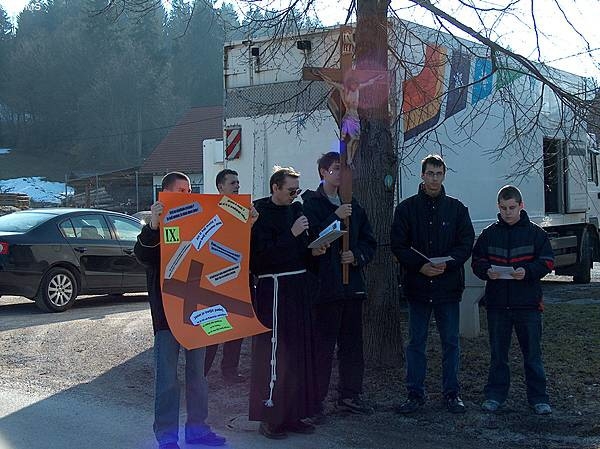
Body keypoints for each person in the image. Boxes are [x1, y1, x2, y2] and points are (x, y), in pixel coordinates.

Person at [134, 172, 226, 449]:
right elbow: (143, 255)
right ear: (165, 194)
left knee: (198, 377)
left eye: (189, 190)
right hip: (166, 318)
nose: (186, 195)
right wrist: (153, 225)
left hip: (196, 314)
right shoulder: (155, 225)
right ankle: (167, 437)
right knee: (167, 381)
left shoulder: (199, 221)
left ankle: (198, 431)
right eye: (180, 191)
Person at [390, 154, 475, 414]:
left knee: (450, 342)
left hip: (447, 287)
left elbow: (465, 243)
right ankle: (415, 394)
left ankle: (452, 394)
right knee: (416, 343)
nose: (434, 179)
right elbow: (398, 245)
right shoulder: (406, 209)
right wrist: (419, 266)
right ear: (422, 175)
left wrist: (448, 264)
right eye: (430, 173)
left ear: (444, 176)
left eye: (439, 174)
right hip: (417, 287)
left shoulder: (457, 209)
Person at [249, 166, 327, 439]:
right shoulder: (259, 214)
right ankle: (270, 416)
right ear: (275, 187)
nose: (295, 195)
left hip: (298, 288)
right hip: (274, 289)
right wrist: (291, 235)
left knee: (297, 353)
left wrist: (315, 251)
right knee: (275, 353)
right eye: (291, 190)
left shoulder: (297, 210)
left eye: (297, 190)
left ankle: (294, 414)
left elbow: (301, 250)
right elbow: (259, 258)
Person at [302, 151, 377, 419]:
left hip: (351, 287)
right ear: (323, 172)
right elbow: (309, 241)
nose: (340, 174)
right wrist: (335, 216)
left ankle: (349, 395)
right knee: (322, 348)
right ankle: (315, 400)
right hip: (325, 288)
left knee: (352, 346)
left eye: (344, 169)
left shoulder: (353, 205)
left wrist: (356, 256)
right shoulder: (311, 204)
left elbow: (369, 241)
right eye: (335, 168)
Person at [471, 185, 554, 415]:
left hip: (528, 304)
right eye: (503, 208)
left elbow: (547, 261)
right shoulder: (489, 234)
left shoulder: (536, 233)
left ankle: (539, 398)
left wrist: (527, 271)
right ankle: (495, 396)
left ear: (521, 206)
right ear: (498, 207)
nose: (508, 212)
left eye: (512, 207)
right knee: (498, 355)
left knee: (533, 355)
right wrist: (487, 271)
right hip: (497, 305)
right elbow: (477, 261)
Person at [204, 168, 258, 384]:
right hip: (216, 278)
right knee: (213, 327)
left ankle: (230, 370)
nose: (237, 186)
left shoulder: (245, 211)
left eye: (238, 182)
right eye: (232, 183)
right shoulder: (210, 211)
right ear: (220, 187)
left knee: (236, 325)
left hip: (239, 278)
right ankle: (202, 371)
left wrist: (252, 223)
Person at [314, 70, 384, 166]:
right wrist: (320, 74)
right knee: (349, 138)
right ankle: (349, 159)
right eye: (353, 84)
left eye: (355, 84)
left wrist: (377, 77)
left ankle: (351, 158)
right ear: (350, 84)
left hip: (356, 117)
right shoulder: (343, 89)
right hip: (349, 116)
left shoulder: (358, 88)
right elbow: (331, 82)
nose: (354, 86)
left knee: (357, 139)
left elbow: (369, 82)